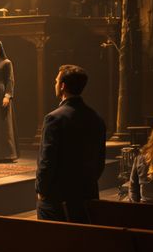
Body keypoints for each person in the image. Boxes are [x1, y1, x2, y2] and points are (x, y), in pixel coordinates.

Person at [36, 64, 107, 223]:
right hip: (87, 194)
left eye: (56, 81)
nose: (54, 84)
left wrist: (41, 190)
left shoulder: (54, 118)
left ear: (62, 86)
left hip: (58, 199)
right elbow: (99, 161)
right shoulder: (96, 118)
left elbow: (47, 160)